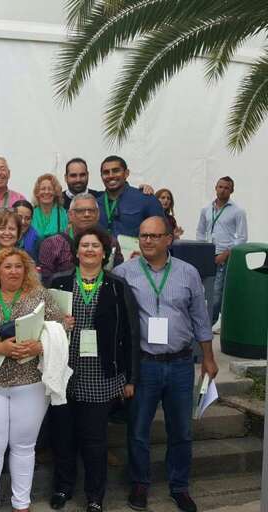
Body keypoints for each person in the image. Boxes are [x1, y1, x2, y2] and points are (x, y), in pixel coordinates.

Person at [114, 217, 218, 512]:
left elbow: (201, 319)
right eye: (143, 236)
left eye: (155, 236)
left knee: (181, 430)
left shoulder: (188, 273)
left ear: (168, 239)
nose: (147, 241)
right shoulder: (124, 273)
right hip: (145, 365)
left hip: (181, 364)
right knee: (138, 429)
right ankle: (139, 484)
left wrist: (208, 358)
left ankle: (179, 486)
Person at [47, 226, 140, 512]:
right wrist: (59, 323)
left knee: (95, 441)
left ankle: (95, 496)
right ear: (76, 252)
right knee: (63, 437)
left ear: (104, 252)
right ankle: (63, 488)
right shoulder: (59, 283)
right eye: (84, 245)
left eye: (95, 246)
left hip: (100, 375)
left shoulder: (116, 285)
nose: (89, 250)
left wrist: (130, 377)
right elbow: (43, 325)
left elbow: (131, 333)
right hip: (63, 371)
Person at [0, 247, 64, 512]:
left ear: (27, 269)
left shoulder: (40, 295)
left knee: (24, 446)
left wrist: (39, 346)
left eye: (18, 266)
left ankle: (22, 504)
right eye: (7, 266)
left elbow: (59, 328)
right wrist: (2, 349)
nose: (13, 271)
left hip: (30, 381)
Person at [195, 176, 248, 327]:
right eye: (220, 187)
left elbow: (242, 238)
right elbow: (200, 231)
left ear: (232, 190)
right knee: (201, 293)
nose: (223, 190)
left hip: (223, 257)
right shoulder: (206, 209)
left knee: (216, 296)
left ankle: (207, 327)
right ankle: (201, 327)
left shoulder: (238, 211)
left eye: (226, 188)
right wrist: (201, 250)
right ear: (215, 188)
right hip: (206, 256)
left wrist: (225, 254)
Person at [38, 193, 124, 286]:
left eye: (91, 210)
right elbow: (45, 282)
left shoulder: (111, 242)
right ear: (70, 215)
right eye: (80, 211)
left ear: (98, 214)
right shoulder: (52, 243)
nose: (87, 214)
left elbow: (117, 276)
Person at [97, 156, 163, 238]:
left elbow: (162, 233)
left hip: (136, 250)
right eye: (106, 172)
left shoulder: (146, 199)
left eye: (116, 171)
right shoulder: (95, 205)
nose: (111, 175)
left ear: (126, 173)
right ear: (101, 176)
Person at [32, 173, 68, 240]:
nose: (46, 192)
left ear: (56, 192)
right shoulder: (31, 214)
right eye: (43, 189)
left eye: (50, 189)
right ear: (37, 193)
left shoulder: (65, 215)